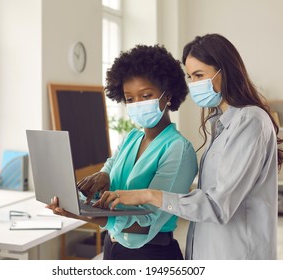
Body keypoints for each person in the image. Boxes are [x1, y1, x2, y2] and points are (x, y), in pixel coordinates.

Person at [94, 33, 283, 260]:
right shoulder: (221, 123)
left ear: (224, 71)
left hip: (238, 253)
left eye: (199, 75)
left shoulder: (250, 121)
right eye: (190, 77)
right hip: (209, 251)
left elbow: (217, 206)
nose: (194, 85)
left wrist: (147, 195)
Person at [47, 44, 198, 260]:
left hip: (151, 254)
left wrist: (84, 215)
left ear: (169, 95)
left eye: (146, 95)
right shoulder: (131, 139)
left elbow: (145, 227)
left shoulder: (179, 150)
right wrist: (91, 187)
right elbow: (108, 173)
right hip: (113, 248)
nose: (137, 104)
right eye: (129, 99)